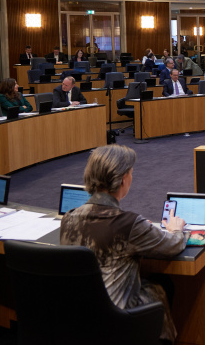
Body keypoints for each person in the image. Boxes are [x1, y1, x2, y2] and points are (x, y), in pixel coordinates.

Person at [60, 145, 186, 344]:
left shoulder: (69, 218)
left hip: (78, 314)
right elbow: (173, 245)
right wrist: (176, 228)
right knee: (162, 285)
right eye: (131, 173)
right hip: (115, 317)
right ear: (123, 180)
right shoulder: (128, 224)